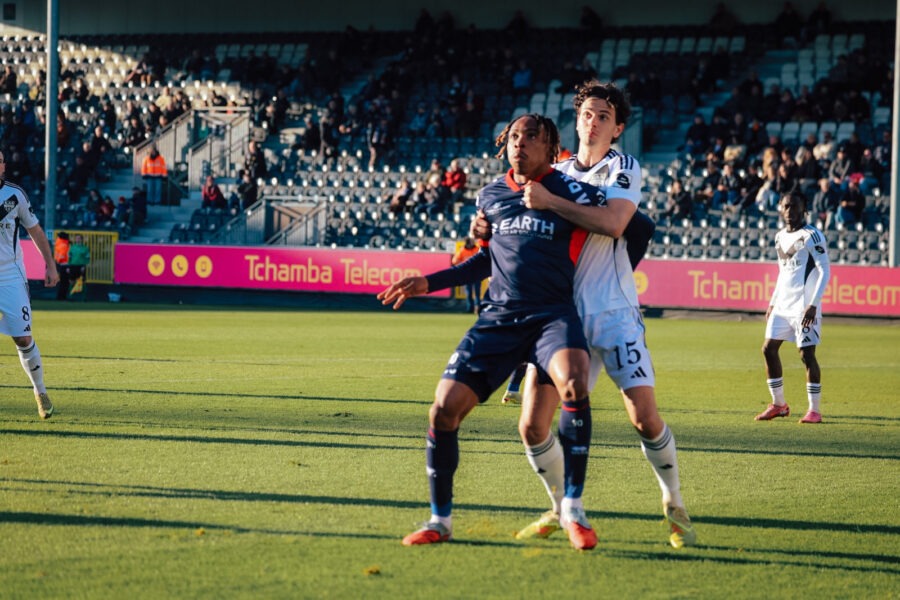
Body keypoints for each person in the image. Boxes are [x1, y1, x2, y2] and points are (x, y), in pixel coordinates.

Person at [481, 80, 695, 549]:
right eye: (587, 114)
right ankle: (561, 509)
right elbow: (516, 222)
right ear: (575, 121)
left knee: (644, 418)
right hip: (559, 315)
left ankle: (674, 503)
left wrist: (554, 202)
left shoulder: (623, 167)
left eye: (604, 116)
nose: (593, 122)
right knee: (532, 425)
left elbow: (617, 223)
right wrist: (486, 226)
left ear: (617, 128)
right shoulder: (549, 166)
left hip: (613, 311)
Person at [377, 114, 601, 550]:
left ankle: (573, 510)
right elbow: (487, 259)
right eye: (515, 137)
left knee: (573, 383)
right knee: (443, 410)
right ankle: (440, 521)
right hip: (499, 317)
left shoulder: (575, 193)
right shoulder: (491, 194)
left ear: (552, 147)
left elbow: (627, 227)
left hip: (553, 315)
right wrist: (431, 281)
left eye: (532, 137)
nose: (520, 144)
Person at [757, 191, 831, 424]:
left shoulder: (812, 236)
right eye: (786, 207)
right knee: (768, 349)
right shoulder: (779, 237)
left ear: (804, 209)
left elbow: (824, 270)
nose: (790, 212)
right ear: (780, 208)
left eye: (795, 207)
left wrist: (813, 304)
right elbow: (783, 273)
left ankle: (814, 410)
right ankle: (779, 404)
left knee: (806, 355)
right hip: (782, 305)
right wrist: (772, 301)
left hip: (803, 306)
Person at [0, 149, 59, 418]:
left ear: (3, 166)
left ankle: (40, 391)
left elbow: (34, 229)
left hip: (9, 274)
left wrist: (51, 264)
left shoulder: (15, 195)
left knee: (22, 337)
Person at [450, 237, 481, 314]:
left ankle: (477, 308)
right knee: (469, 292)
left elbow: (482, 258)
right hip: (467, 273)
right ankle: (470, 308)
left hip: (477, 272)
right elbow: (454, 261)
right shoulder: (463, 250)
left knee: (477, 292)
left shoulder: (477, 249)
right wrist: (462, 265)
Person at [66, 234, 90, 299]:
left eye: (79, 238)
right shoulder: (72, 247)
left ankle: (84, 298)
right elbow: (69, 258)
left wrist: (84, 266)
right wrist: (68, 266)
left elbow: (87, 259)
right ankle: (70, 297)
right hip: (73, 266)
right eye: (76, 238)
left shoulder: (85, 248)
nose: (77, 239)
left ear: (81, 239)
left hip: (81, 267)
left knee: (82, 281)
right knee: (71, 281)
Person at [53, 231, 71, 301]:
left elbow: (57, 256)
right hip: (65, 265)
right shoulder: (64, 245)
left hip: (59, 265)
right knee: (65, 283)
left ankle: (60, 297)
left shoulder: (58, 244)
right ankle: (62, 297)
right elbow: (63, 256)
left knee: (61, 282)